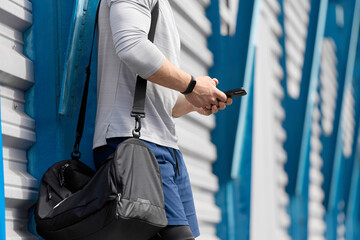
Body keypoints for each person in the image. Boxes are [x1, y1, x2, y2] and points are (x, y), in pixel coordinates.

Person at [93, 0, 232, 239]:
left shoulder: (162, 7)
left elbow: (162, 102)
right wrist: (192, 85)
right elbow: (131, 45)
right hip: (134, 144)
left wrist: (194, 101)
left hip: (164, 147)